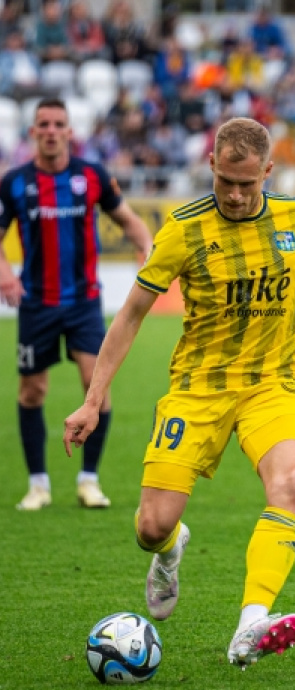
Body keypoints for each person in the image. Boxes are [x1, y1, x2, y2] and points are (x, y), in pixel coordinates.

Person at [63, 117, 295, 669]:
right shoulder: (182, 229)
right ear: (210, 165)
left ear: (268, 170)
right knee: (151, 526)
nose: (236, 196)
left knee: (290, 482)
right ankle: (169, 551)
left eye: (248, 184)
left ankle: (250, 624)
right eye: (225, 182)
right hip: (198, 391)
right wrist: (93, 399)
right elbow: (131, 315)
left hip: (275, 384)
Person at [0, 98, 153, 511]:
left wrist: (147, 248)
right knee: (33, 391)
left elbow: (129, 220)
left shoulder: (92, 175)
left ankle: (89, 479)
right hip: (36, 304)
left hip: (85, 303)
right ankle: (38, 484)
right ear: (32, 132)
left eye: (58, 124)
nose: (51, 130)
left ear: (70, 132)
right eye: (43, 124)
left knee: (96, 390)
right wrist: (6, 272)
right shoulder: (15, 182)